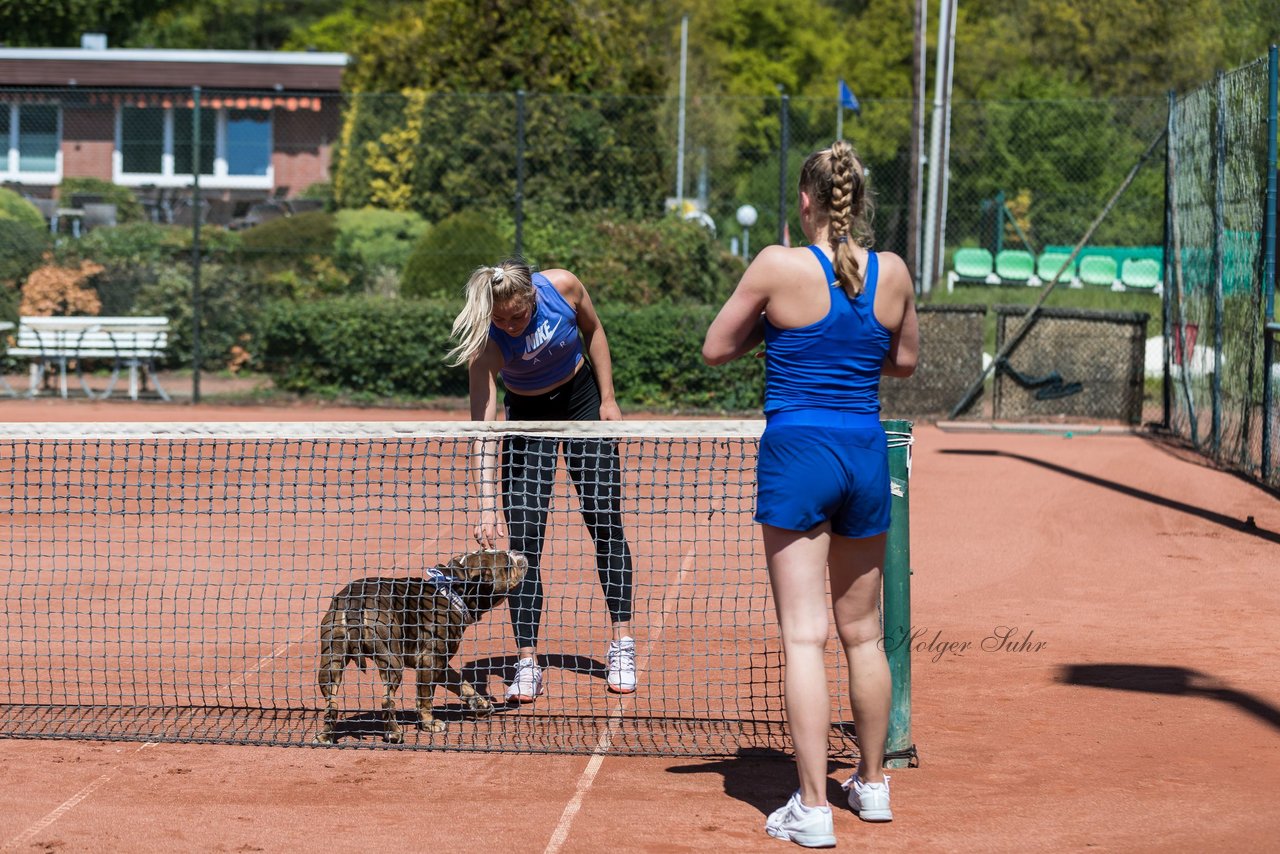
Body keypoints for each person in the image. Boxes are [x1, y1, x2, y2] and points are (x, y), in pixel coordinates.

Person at [702, 140, 918, 846]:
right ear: (857, 200)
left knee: (804, 635)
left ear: (804, 201)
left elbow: (715, 348)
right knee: (864, 635)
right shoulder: (893, 272)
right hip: (863, 449)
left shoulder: (776, 263)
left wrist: (776, 326)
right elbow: (905, 361)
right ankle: (875, 786)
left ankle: (814, 808)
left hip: (798, 451)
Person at [447, 258, 637, 703]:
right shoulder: (487, 345)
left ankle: (622, 644)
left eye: (518, 316)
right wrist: (488, 506)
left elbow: (594, 331)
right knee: (524, 544)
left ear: (533, 297)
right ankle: (527, 662)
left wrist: (608, 399)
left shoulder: (564, 287)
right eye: (500, 319)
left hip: (581, 401)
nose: (510, 326)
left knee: (605, 521)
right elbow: (484, 431)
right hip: (528, 418)